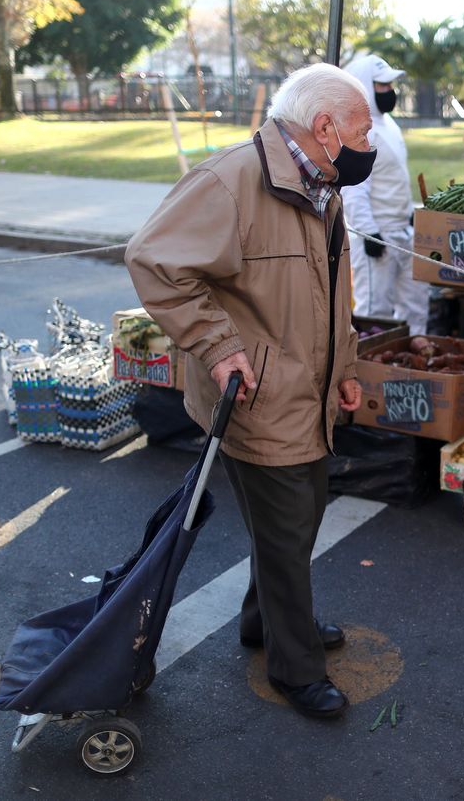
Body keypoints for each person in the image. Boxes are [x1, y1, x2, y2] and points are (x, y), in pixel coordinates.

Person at [125, 63, 374, 720]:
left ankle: (263, 621)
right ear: (324, 129)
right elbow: (154, 258)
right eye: (361, 129)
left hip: (306, 390)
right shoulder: (232, 180)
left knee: (296, 519)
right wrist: (216, 344)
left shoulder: (322, 181)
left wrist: (346, 367)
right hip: (260, 395)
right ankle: (295, 668)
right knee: (290, 532)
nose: (369, 144)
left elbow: (334, 293)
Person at [341, 54, 430, 335]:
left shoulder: (390, 125)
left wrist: (410, 214)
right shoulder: (359, 131)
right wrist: (369, 232)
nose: (390, 91)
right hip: (377, 236)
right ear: (365, 86)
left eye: (391, 84)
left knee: (415, 307)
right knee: (374, 314)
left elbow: (394, 179)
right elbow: (354, 188)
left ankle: (413, 365)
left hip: (404, 232)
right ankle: (367, 375)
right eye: (382, 85)